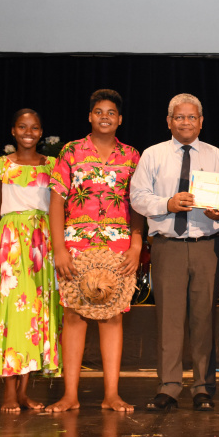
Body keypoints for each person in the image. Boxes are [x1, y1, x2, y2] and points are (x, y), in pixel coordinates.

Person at [130, 93, 219, 412]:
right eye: (179, 117)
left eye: (191, 117)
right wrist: (167, 204)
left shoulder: (217, 157)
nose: (185, 122)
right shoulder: (153, 155)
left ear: (201, 122)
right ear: (169, 121)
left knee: (204, 319)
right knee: (169, 320)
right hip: (167, 246)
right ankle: (169, 387)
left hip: (206, 246)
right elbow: (137, 197)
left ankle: (203, 388)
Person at [45, 89, 144, 413]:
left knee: (111, 316)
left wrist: (136, 245)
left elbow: (139, 205)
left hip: (116, 248)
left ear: (120, 119)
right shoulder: (71, 152)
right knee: (73, 316)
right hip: (76, 247)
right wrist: (59, 248)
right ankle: (70, 395)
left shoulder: (132, 156)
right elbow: (56, 201)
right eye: (99, 111)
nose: (105, 116)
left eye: (111, 112)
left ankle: (111, 394)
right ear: (90, 116)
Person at [0, 109, 61, 413]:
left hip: (43, 243)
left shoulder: (52, 165)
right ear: (13, 131)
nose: (29, 132)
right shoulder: (0, 165)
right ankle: (9, 393)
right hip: (10, 243)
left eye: (35, 127)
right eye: (23, 127)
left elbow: (57, 209)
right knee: (12, 316)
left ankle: (25, 392)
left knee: (36, 316)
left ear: (41, 132)